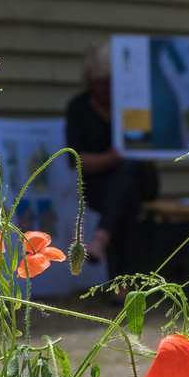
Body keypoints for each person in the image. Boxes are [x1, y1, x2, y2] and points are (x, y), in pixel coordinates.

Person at [65, 41, 159, 285]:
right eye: (100, 82)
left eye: (110, 81)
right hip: (102, 186)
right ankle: (125, 287)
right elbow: (76, 160)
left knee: (127, 171)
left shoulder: (134, 103)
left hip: (144, 180)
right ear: (88, 80)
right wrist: (110, 158)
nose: (106, 88)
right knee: (124, 198)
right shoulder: (78, 108)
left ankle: (102, 242)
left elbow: (149, 155)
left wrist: (127, 156)